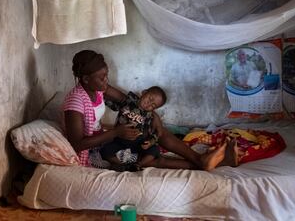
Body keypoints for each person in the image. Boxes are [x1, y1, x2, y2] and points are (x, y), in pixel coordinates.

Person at [63, 50, 232, 171]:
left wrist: (154, 117)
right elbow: (76, 144)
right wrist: (115, 133)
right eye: (102, 77)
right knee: (150, 159)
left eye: (106, 74)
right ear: (85, 79)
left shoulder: (97, 88)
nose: (106, 80)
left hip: (106, 138)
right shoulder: (75, 102)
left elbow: (130, 102)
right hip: (96, 151)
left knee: (156, 130)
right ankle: (204, 163)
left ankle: (201, 159)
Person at [100, 86, 166, 171]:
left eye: (153, 105)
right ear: (144, 92)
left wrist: (150, 142)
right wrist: (102, 98)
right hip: (120, 139)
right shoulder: (128, 101)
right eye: (150, 99)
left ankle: (138, 164)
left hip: (138, 142)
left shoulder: (150, 116)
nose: (149, 104)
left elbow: (154, 133)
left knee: (155, 150)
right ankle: (120, 165)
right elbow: (114, 105)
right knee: (104, 150)